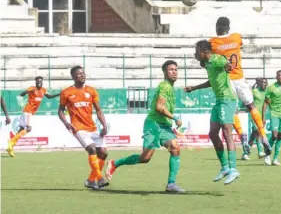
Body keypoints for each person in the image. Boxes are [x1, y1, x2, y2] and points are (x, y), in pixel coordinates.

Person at [106, 60, 185, 193]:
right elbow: (159, 107)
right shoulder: (165, 86)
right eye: (171, 69)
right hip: (153, 125)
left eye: (176, 69)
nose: (174, 72)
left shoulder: (171, 87)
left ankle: (171, 184)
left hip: (164, 126)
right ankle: (115, 163)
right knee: (145, 158)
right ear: (164, 72)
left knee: (175, 149)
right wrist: (175, 117)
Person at [209, 17, 271, 155]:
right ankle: (263, 134)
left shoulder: (212, 43)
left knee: (233, 110)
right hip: (240, 77)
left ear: (217, 27)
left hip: (226, 81)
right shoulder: (236, 37)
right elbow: (238, 45)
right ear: (229, 28)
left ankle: (242, 134)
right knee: (251, 106)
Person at [185, 40, 240, 185]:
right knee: (212, 133)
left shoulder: (217, 59)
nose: (195, 54)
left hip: (227, 99)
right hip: (219, 100)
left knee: (227, 133)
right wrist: (194, 88)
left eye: (196, 51)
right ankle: (225, 167)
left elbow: (225, 64)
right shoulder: (208, 64)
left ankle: (234, 169)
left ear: (204, 52)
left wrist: (228, 66)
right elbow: (212, 81)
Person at [58, 66, 109, 190]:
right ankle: (100, 178)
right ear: (73, 77)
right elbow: (60, 110)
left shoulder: (91, 91)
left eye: (83, 73)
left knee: (103, 152)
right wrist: (66, 123)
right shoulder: (66, 92)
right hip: (78, 128)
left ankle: (91, 180)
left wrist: (104, 125)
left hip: (92, 127)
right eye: (79, 73)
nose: (82, 75)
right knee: (91, 149)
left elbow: (98, 110)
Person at [6, 76, 59, 157]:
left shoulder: (43, 90)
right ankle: (11, 141)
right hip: (28, 111)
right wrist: (26, 92)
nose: (39, 83)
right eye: (38, 81)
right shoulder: (32, 88)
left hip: (28, 112)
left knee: (21, 129)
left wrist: (59, 94)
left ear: (42, 82)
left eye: (40, 81)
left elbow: (49, 96)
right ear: (35, 82)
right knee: (28, 129)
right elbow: (22, 94)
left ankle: (10, 147)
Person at [248, 78, 267, 159]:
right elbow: (247, 97)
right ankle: (260, 151)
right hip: (254, 114)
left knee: (254, 134)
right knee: (257, 131)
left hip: (262, 115)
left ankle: (246, 152)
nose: (263, 84)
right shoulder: (255, 91)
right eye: (262, 82)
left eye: (265, 82)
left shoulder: (267, 93)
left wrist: (264, 116)